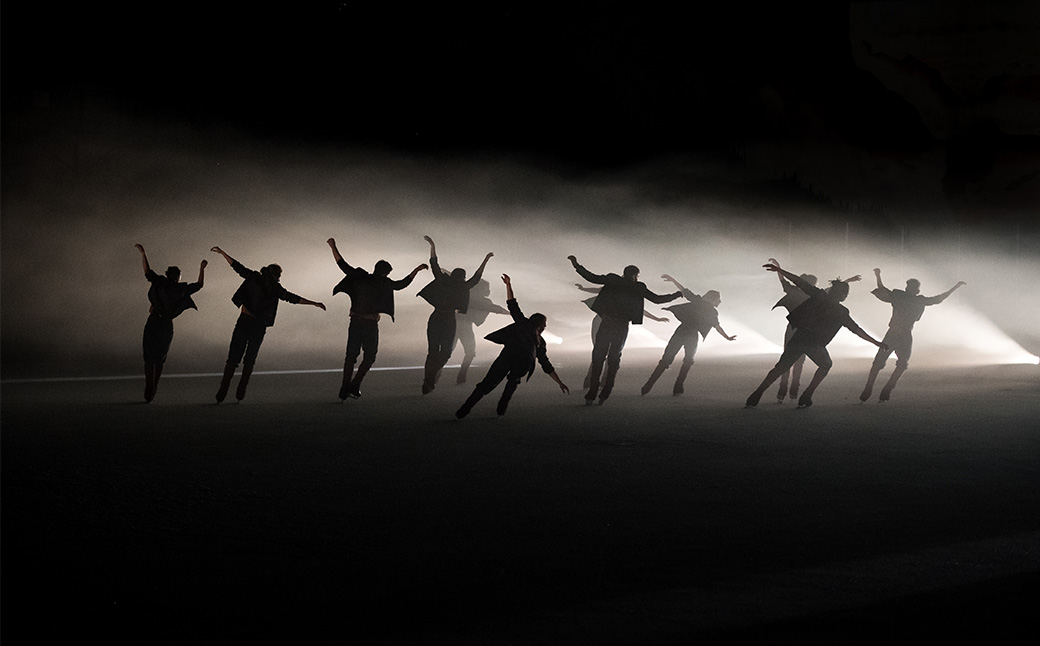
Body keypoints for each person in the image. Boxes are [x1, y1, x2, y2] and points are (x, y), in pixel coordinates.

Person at [746, 261, 887, 408]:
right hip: (815, 344)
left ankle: (757, 393)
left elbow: (799, 282)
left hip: (799, 337)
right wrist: (877, 343)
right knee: (826, 364)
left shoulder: (820, 296)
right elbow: (856, 330)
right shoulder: (842, 312)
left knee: (780, 368)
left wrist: (779, 270)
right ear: (844, 295)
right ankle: (807, 394)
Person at [211, 246, 326, 403]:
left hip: (248, 322)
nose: (279, 278)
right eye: (279, 275)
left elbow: (238, 268)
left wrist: (223, 253)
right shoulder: (270, 285)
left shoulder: (257, 279)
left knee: (235, 358)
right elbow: (291, 297)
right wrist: (313, 303)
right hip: (256, 325)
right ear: (275, 275)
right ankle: (238, 389)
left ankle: (226, 390)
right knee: (247, 358)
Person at [568, 255, 683, 405]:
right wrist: (676, 295)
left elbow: (591, 277)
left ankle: (591, 394)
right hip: (621, 326)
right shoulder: (638, 287)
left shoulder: (612, 280)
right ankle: (605, 394)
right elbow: (657, 299)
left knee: (598, 357)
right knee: (614, 359)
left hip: (606, 323)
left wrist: (576, 264)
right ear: (635, 275)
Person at [455, 274, 569, 418]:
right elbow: (546, 364)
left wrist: (508, 285)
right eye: (545, 325)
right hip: (523, 363)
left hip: (507, 356)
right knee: (513, 381)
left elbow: (512, 304)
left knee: (487, 384)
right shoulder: (540, 342)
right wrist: (560, 382)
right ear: (541, 326)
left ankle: (465, 408)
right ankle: (503, 404)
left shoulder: (522, 324)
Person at [327, 237, 428, 400]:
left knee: (351, 356)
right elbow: (402, 284)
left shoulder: (360, 276)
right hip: (370, 323)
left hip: (355, 321)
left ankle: (345, 387)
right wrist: (417, 269)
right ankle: (355, 385)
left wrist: (333, 246)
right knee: (370, 356)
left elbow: (342, 265)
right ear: (387, 272)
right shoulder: (386, 283)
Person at [860, 268, 966, 402]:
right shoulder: (914, 299)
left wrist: (878, 275)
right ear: (915, 290)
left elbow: (882, 289)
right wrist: (955, 288)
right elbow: (938, 299)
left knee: (890, 363)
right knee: (896, 363)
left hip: (897, 334)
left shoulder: (903, 297)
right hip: (900, 334)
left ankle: (879, 388)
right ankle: (878, 388)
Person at [416, 235, 493, 394]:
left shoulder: (445, 281)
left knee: (434, 352)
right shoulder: (464, 286)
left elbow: (434, 264)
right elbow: (477, 277)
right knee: (444, 353)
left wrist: (432, 245)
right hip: (448, 319)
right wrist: (486, 260)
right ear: (463, 277)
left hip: (437, 317)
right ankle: (429, 379)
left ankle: (429, 379)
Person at [640, 274, 736, 396]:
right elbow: (717, 326)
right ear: (713, 299)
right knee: (688, 361)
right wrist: (727, 337)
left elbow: (685, 291)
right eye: (719, 299)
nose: (720, 301)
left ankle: (648, 385)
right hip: (692, 335)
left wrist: (673, 280)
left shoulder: (698, 301)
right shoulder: (712, 311)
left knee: (666, 360)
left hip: (681, 331)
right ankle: (678, 387)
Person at [135, 244, 205, 402]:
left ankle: (149, 384)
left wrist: (143, 254)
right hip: (166, 323)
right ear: (178, 276)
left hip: (154, 321)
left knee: (149, 355)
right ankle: (154, 385)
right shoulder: (180, 288)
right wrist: (202, 268)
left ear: (167, 275)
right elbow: (199, 285)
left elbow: (147, 272)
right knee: (159, 357)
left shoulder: (160, 282)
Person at [575, 283, 670, 388]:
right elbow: (639, 309)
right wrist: (583, 288)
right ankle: (597, 381)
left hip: (606, 322)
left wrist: (656, 318)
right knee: (606, 353)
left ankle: (594, 381)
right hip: (607, 323)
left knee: (602, 352)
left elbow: (598, 290)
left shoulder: (619, 290)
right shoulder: (623, 291)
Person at [452, 279, 509, 385]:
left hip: (461, 325)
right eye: (486, 288)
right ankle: (460, 376)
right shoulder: (473, 298)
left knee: (464, 352)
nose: (488, 291)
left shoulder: (467, 296)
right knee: (466, 352)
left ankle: (460, 375)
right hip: (461, 326)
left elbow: (494, 308)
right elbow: (494, 308)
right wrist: (511, 313)